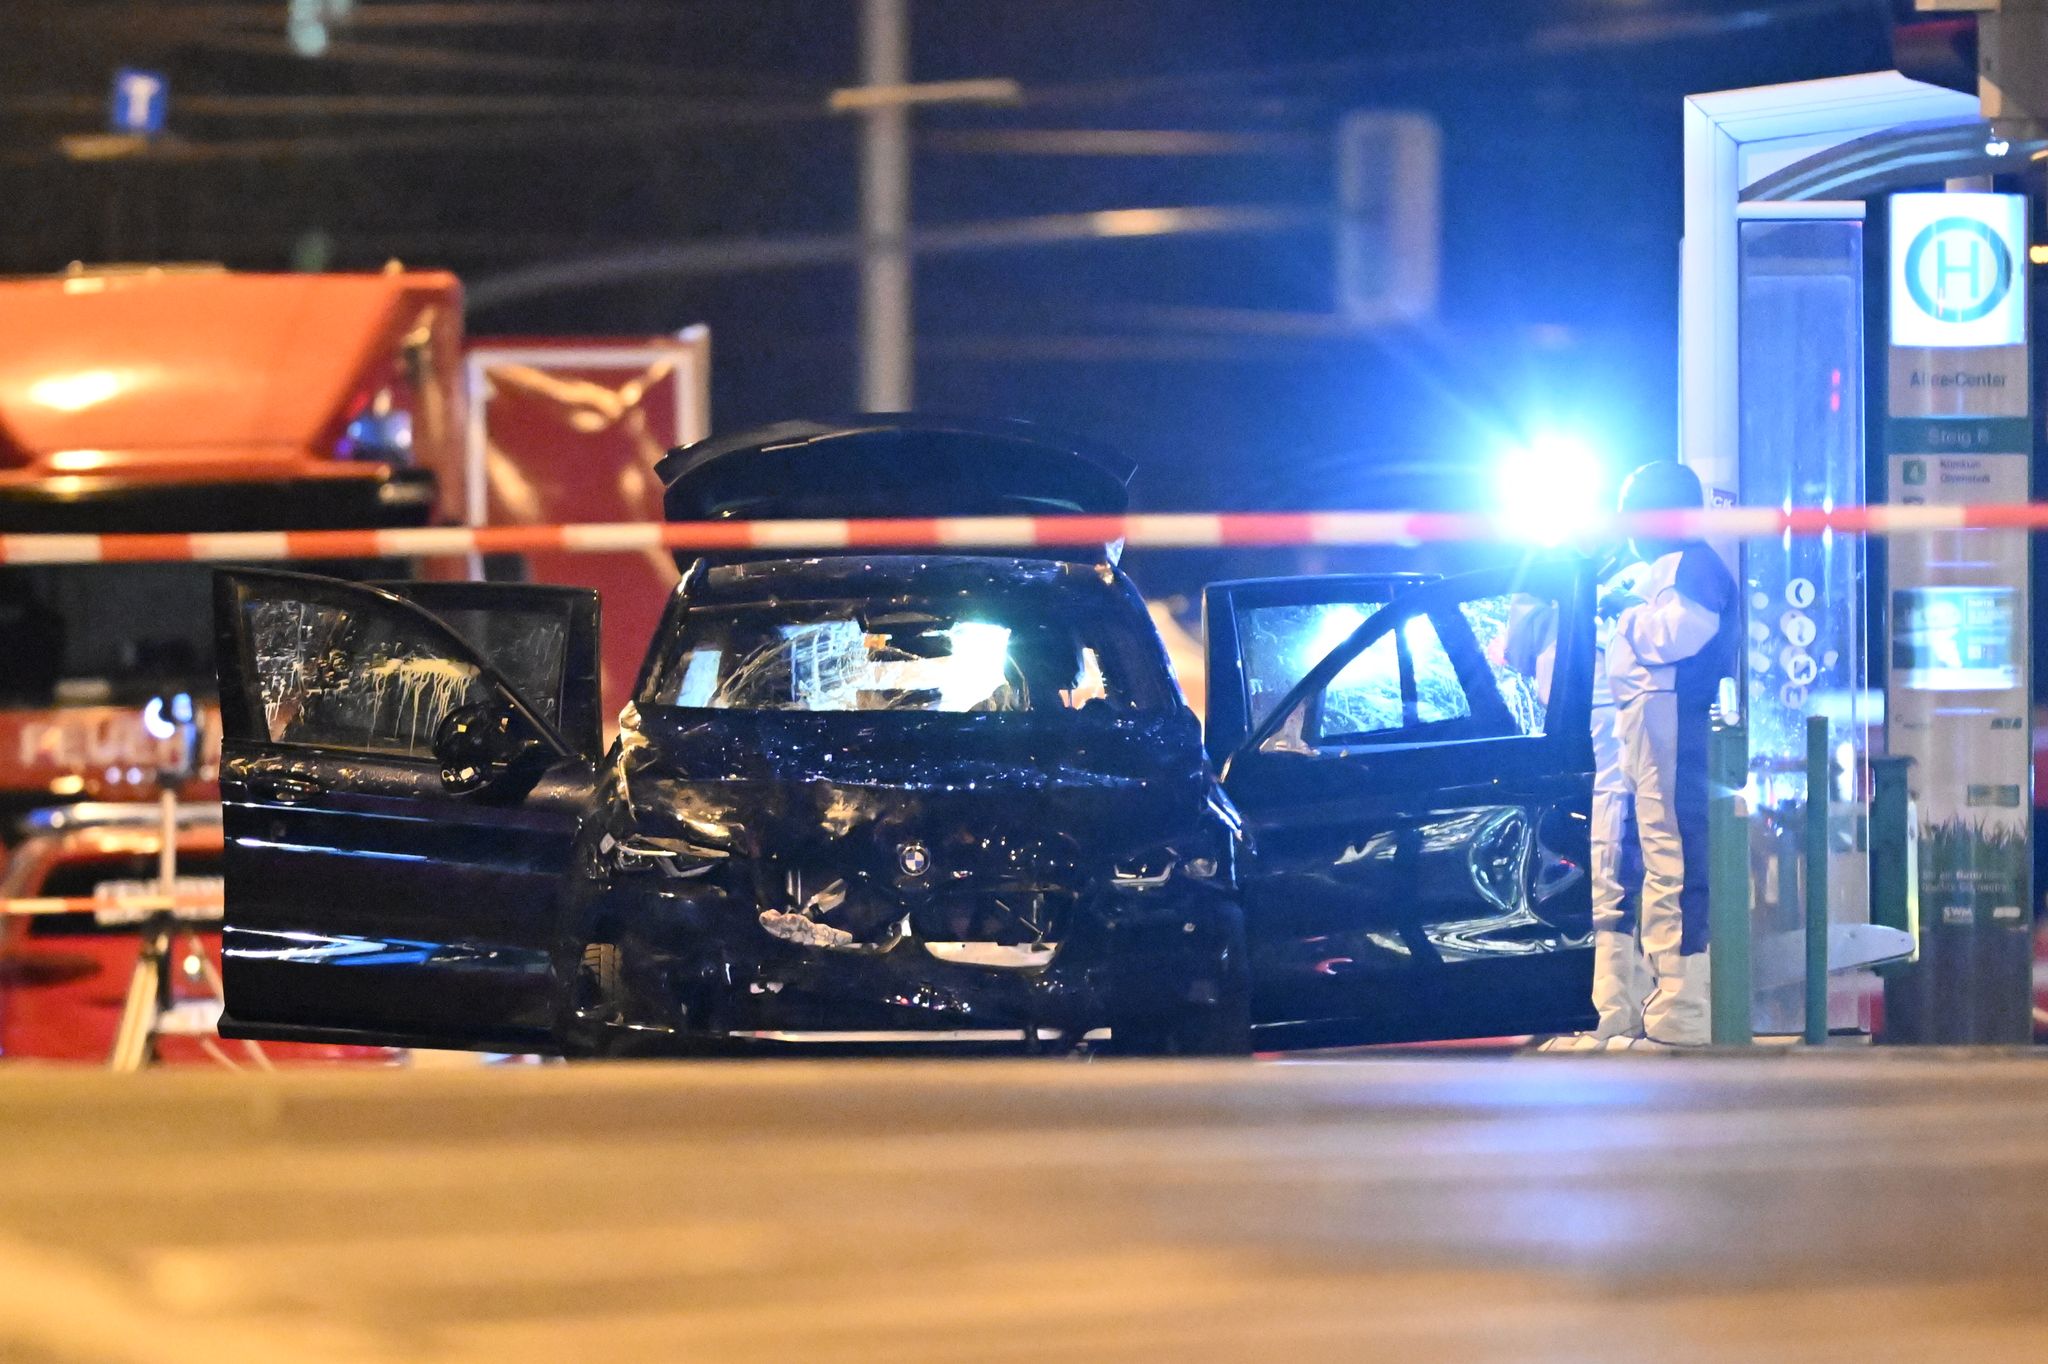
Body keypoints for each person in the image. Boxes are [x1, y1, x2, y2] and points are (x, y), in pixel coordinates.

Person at [1601, 460, 1738, 1049]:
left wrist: (1625, 616)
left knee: (1675, 864)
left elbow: (1681, 633)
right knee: (1657, 859)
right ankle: (1667, 1002)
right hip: (1656, 728)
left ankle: (1684, 1009)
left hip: (1674, 725)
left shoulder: (1691, 563)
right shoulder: (1675, 563)